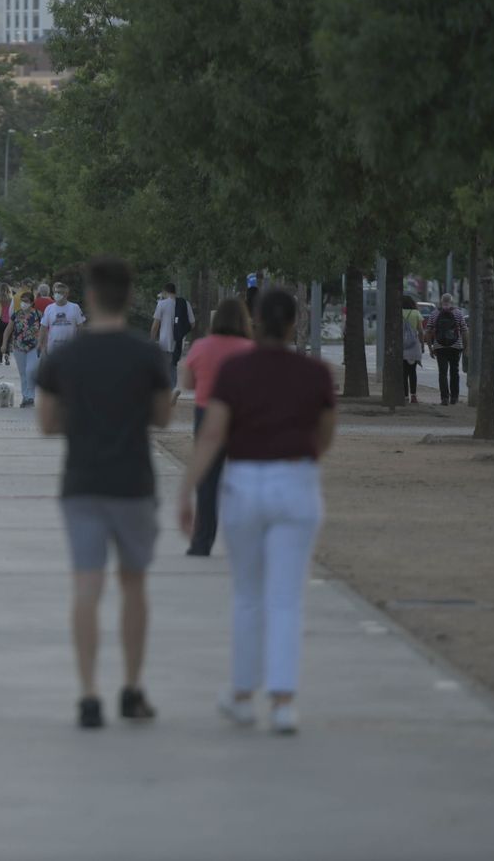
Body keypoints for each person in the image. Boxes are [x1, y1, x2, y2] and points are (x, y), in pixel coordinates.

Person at [176, 288, 336, 735]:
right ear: (294, 324)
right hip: (296, 481)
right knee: (286, 597)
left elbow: (212, 436)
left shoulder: (234, 371)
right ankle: (283, 702)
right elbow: (324, 436)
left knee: (248, 596)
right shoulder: (315, 373)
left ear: (258, 320)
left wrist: (186, 492)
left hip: (245, 483)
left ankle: (243, 694)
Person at [37, 256, 173, 729]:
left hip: (82, 483)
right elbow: (161, 418)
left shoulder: (63, 358)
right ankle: (132, 688)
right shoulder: (147, 355)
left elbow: (47, 424)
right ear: (131, 297)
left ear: (88, 298)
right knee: (133, 584)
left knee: (86, 586)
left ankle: (88, 693)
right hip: (133, 483)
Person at [178, 297, 255, 557]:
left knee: (207, 481)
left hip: (206, 414)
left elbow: (188, 383)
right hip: (241, 416)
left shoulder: (201, 347)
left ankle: (202, 541)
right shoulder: (250, 349)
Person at [424, 293, 468, 406]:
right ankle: (454, 397)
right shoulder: (458, 313)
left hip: (440, 347)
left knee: (442, 373)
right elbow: (464, 331)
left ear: (441, 301)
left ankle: (444, 398)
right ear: (452, 302)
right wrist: (465, 346)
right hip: (455, 346)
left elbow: (428, 332)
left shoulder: (434, 314)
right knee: (455, 372)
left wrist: (430, 347)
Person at [3, 289, 43, 408]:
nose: (23, 303)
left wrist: (43, 343)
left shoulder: (38, 314)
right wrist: (4, 343)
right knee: (23, 373)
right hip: (18, 347)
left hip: (34, 347)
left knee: (30, 371)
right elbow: (8, 329)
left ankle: (31, 396)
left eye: (26, 301)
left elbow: (44, 329)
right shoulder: (16, 314)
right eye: (22, 301)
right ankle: (26, 397)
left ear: (31, 302)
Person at [151, 283, 193, 367]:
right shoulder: (185, 303)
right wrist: (182, 334)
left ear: (165, 292)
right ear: (175, 292)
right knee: (174, 371)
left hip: (163, 344)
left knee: (163, 371)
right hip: (178, 344)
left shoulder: (161, 304)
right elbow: (192, 324)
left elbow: (155, 326)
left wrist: (152, 340)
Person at [39, 282, 85, 356]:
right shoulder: (49, 308)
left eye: (60, 292)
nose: (57, 294)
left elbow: (80, 327)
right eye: (56, 292)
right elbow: (43, 327)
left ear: (66, 294)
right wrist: (40, 343)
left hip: (70, 346)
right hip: (53, 347)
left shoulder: (75, 307)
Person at [400, 294, 425, 404]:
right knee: (412, 372)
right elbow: (420, 331)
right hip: (413, 345)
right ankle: (413, 395)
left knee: (404, 373)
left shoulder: (398, 312)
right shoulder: (416, 313)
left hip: (401, 346)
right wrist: (423, 345)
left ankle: (405, 395)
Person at [0, 283, 13, 365]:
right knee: (8, 340)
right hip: (9, 323)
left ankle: (0, 358)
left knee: (0, 340)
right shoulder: (12, 299)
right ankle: (7, 355)